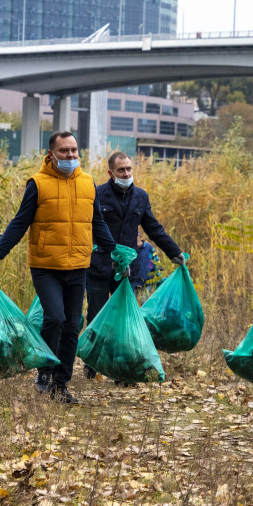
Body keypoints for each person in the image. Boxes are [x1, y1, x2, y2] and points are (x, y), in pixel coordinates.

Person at [0, 131, 116, 404]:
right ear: (51, 154)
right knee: (55, 317)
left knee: (72, 325)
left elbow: (97, 222)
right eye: (64, 151)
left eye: (74, 150)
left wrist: (115, 251)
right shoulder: (37, 184)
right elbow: (19, 223)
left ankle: (61, 384)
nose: (70, 155)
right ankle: (45, 372)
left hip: (78, 265)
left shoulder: (88, 183)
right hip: (46, 265)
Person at [84, 151, 184, 379]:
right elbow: (88, 227)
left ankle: (122, 366)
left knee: (126, 318)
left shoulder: (140, 196)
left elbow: (153, 228)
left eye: (129, 169)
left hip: (127, 270)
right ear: (111, 173)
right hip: (100, 266)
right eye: (121, 170)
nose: (126, 173)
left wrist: (174, 252)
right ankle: (92, 364)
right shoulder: (98, 194)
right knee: (97, 315)